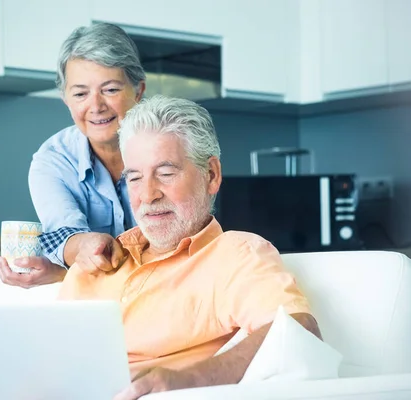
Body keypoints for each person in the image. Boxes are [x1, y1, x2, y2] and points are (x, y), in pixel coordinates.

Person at [58, 95, 321, 400]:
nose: (148, 194)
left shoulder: (236, 255)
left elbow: (299, 331)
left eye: (166, 173)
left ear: (211, 175)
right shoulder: (94, 262)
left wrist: (187, 380)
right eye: (135, 178)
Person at [0, 22, 146, 289]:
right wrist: (86, 247)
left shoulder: (167, 147)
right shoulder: (52, 161)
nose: (96, 106)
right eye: (80, 93)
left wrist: (63, 274)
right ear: (66, 99)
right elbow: (63, 233)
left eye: (110, 89)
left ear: (138, 91)